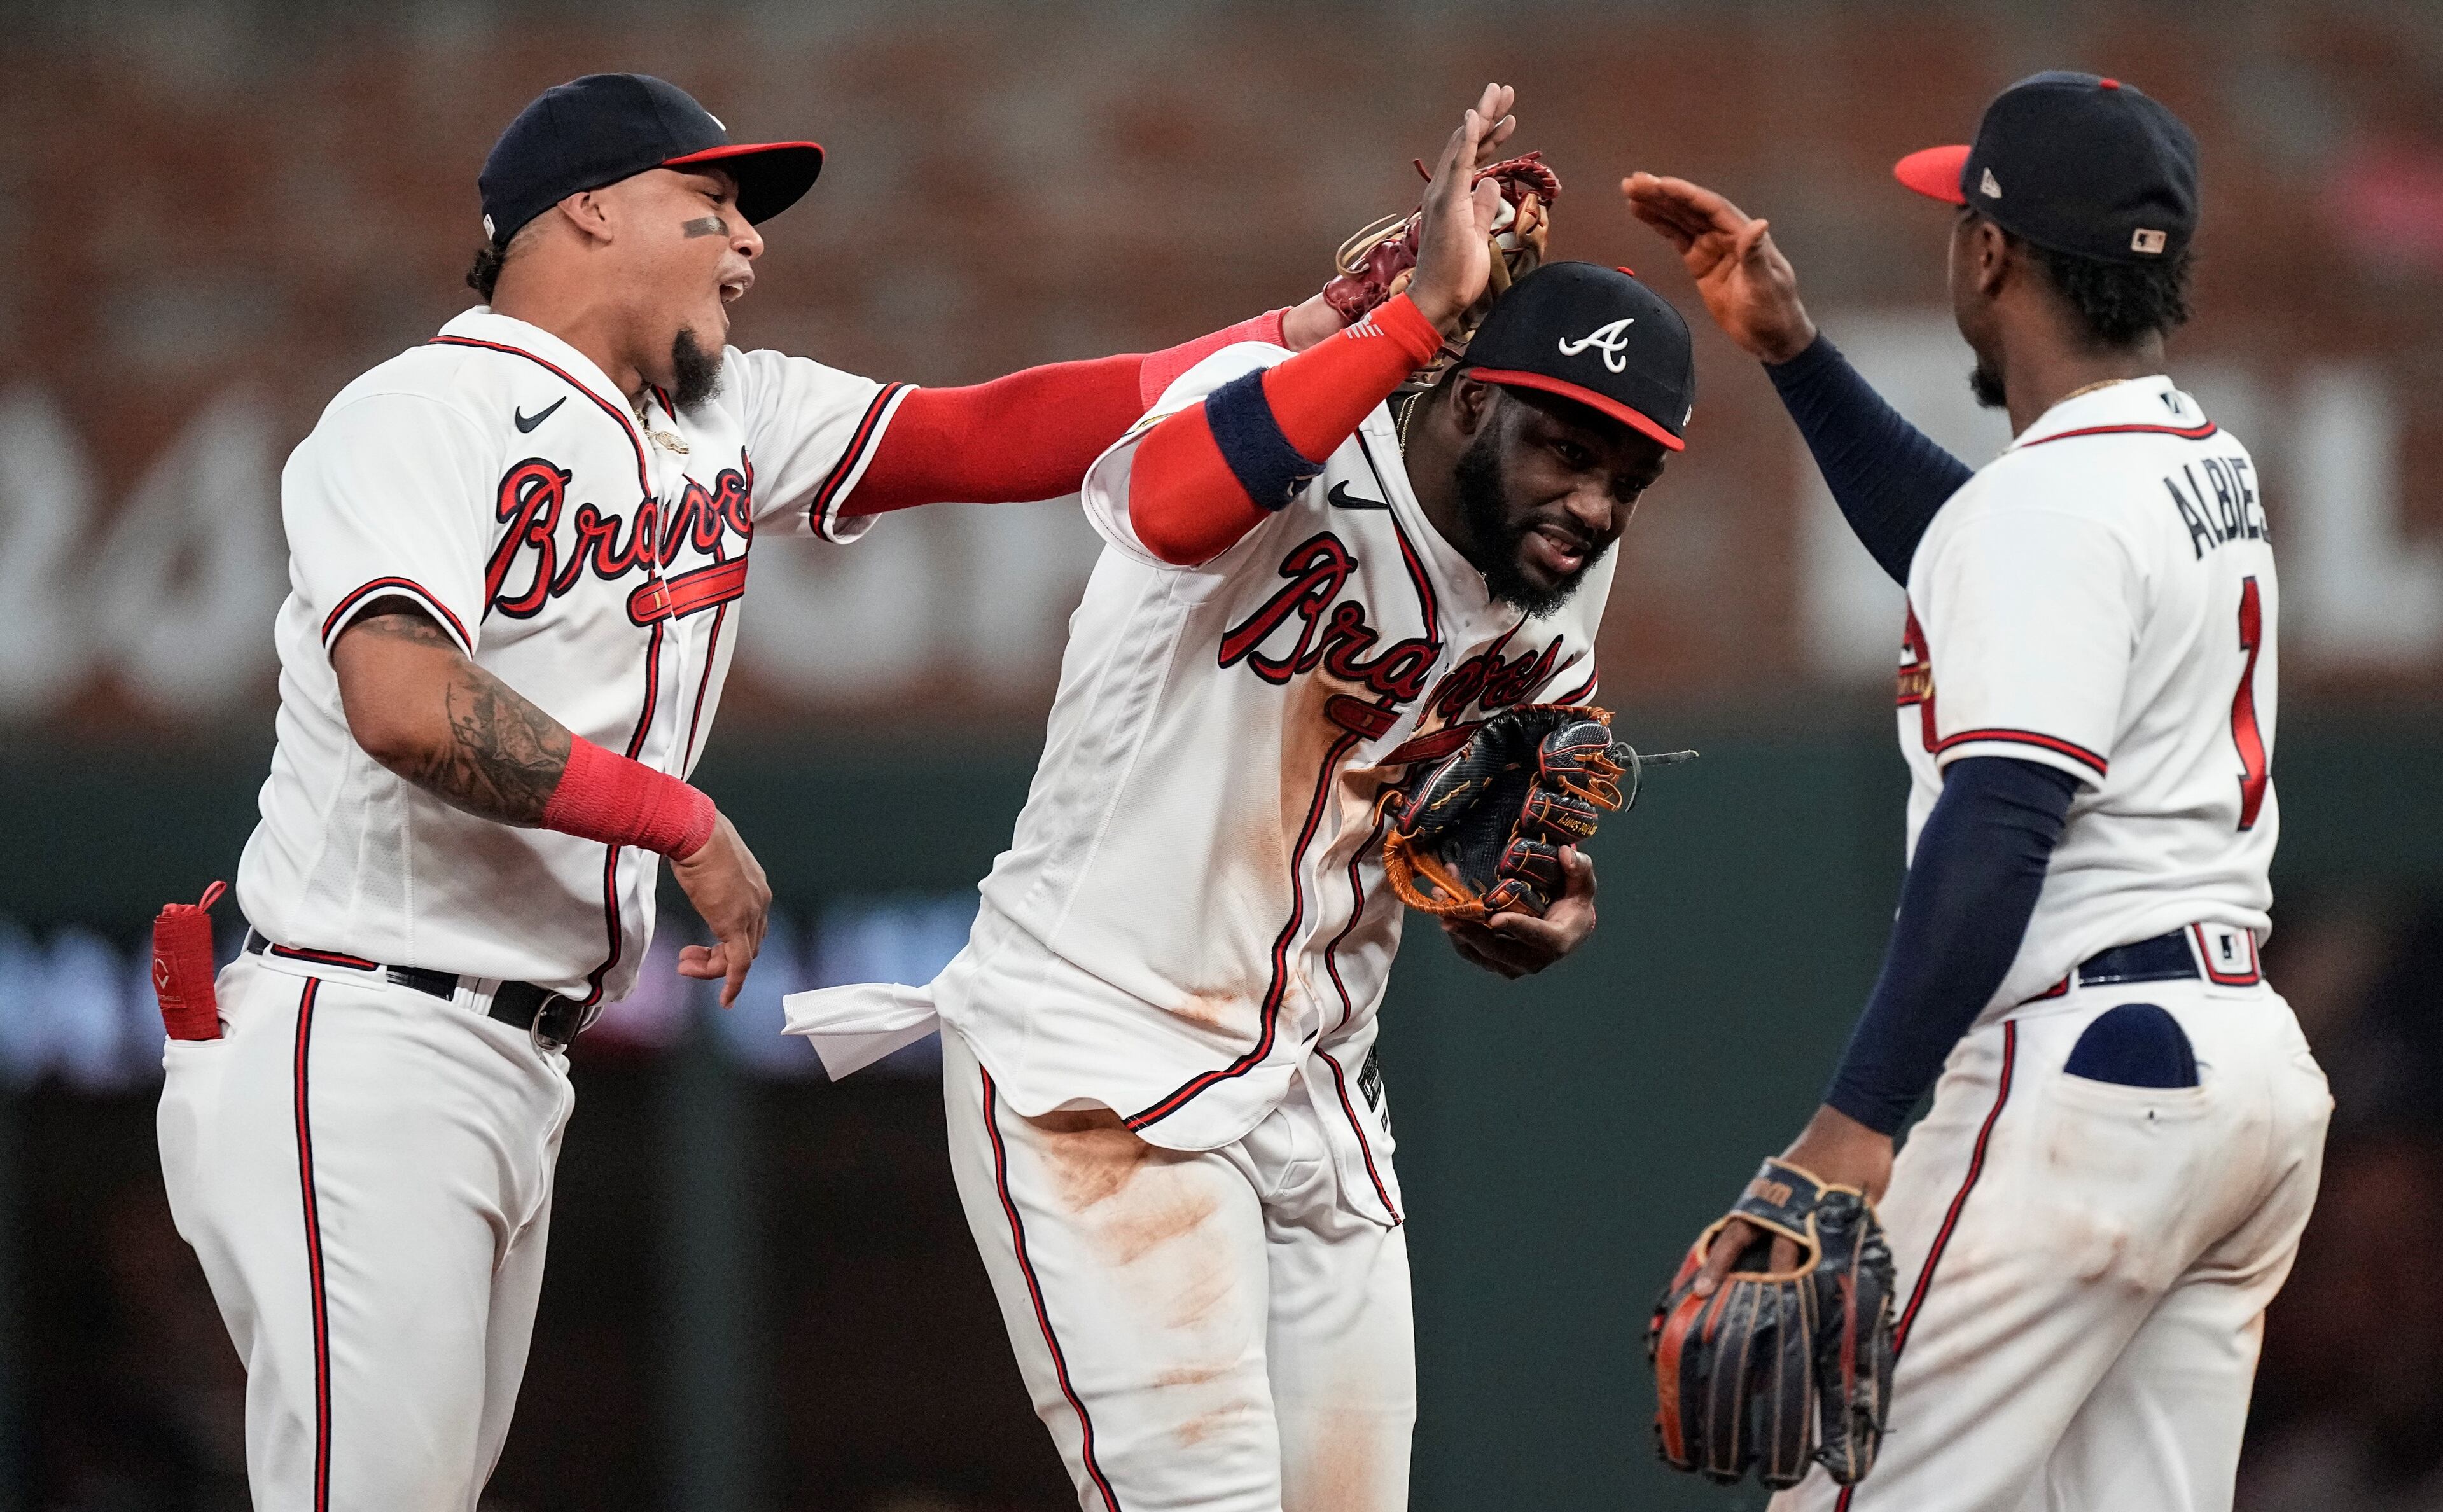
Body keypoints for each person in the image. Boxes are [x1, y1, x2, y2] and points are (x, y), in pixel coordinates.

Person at [153, 71, 1339, 1511]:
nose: (750, 242)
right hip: (355, 1028)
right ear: (586, 209)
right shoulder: (420, 409)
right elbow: (402, 699)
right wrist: (682, 820)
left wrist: (1294, 339)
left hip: (507, 1056)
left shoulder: (720, 413)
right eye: (708, 207)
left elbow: (989, 432)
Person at [789, 85, 1698, 1512]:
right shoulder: (1289, 438)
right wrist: (1402, 321)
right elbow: (1163, 502)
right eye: (1567, 447)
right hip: (1098, 1062)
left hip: (1319, 1089)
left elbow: (1496, 805)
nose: (1594, 501)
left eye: (1628, 475)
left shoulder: (1556, 576)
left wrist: (1540, 895)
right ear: (1467, 394)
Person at [1626, 70, 2332, 1511]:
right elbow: (1984, 555)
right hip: (2244, 1081)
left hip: (2087, 1086)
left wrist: (1853, 1125)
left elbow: (2004, 820)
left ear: (1993, 255)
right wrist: (1799, 355)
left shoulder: (2050, 508)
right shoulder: (2201, 461)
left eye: (1964, 216)